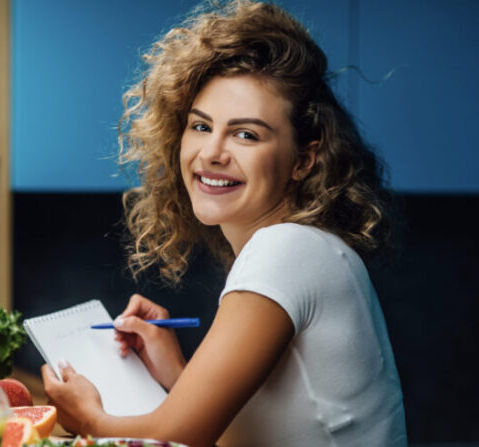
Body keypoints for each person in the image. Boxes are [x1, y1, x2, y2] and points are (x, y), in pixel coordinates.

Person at [40, 1, 407, 446]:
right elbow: (239, 434)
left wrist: (89, 419)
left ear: (303, 160)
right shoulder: (308, 248)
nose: (211, 152)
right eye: (200, 126)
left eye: (246, 134)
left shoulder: (287, 250)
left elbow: (178, 437)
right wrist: (178, 375)